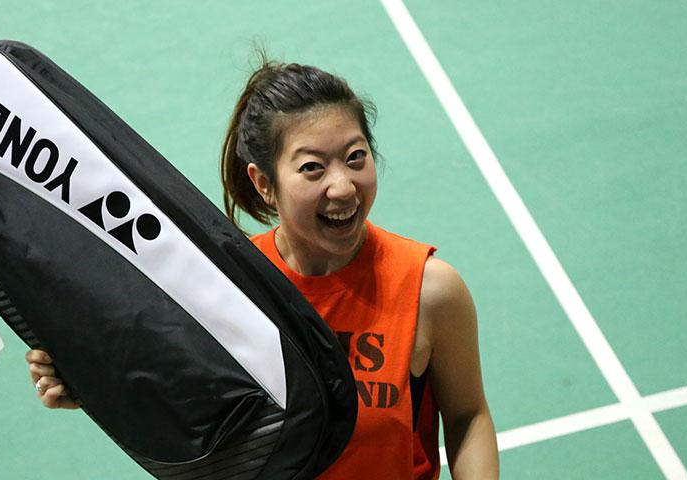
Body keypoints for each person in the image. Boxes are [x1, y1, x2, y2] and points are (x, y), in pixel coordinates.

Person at [26, 58, 499, 479]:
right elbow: (181, 409)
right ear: (265, 184)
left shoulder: (429, 290)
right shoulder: (227, 288)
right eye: (313, 168)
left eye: (356, 157)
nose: (343, 187)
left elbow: (467, 416)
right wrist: (91, 385)